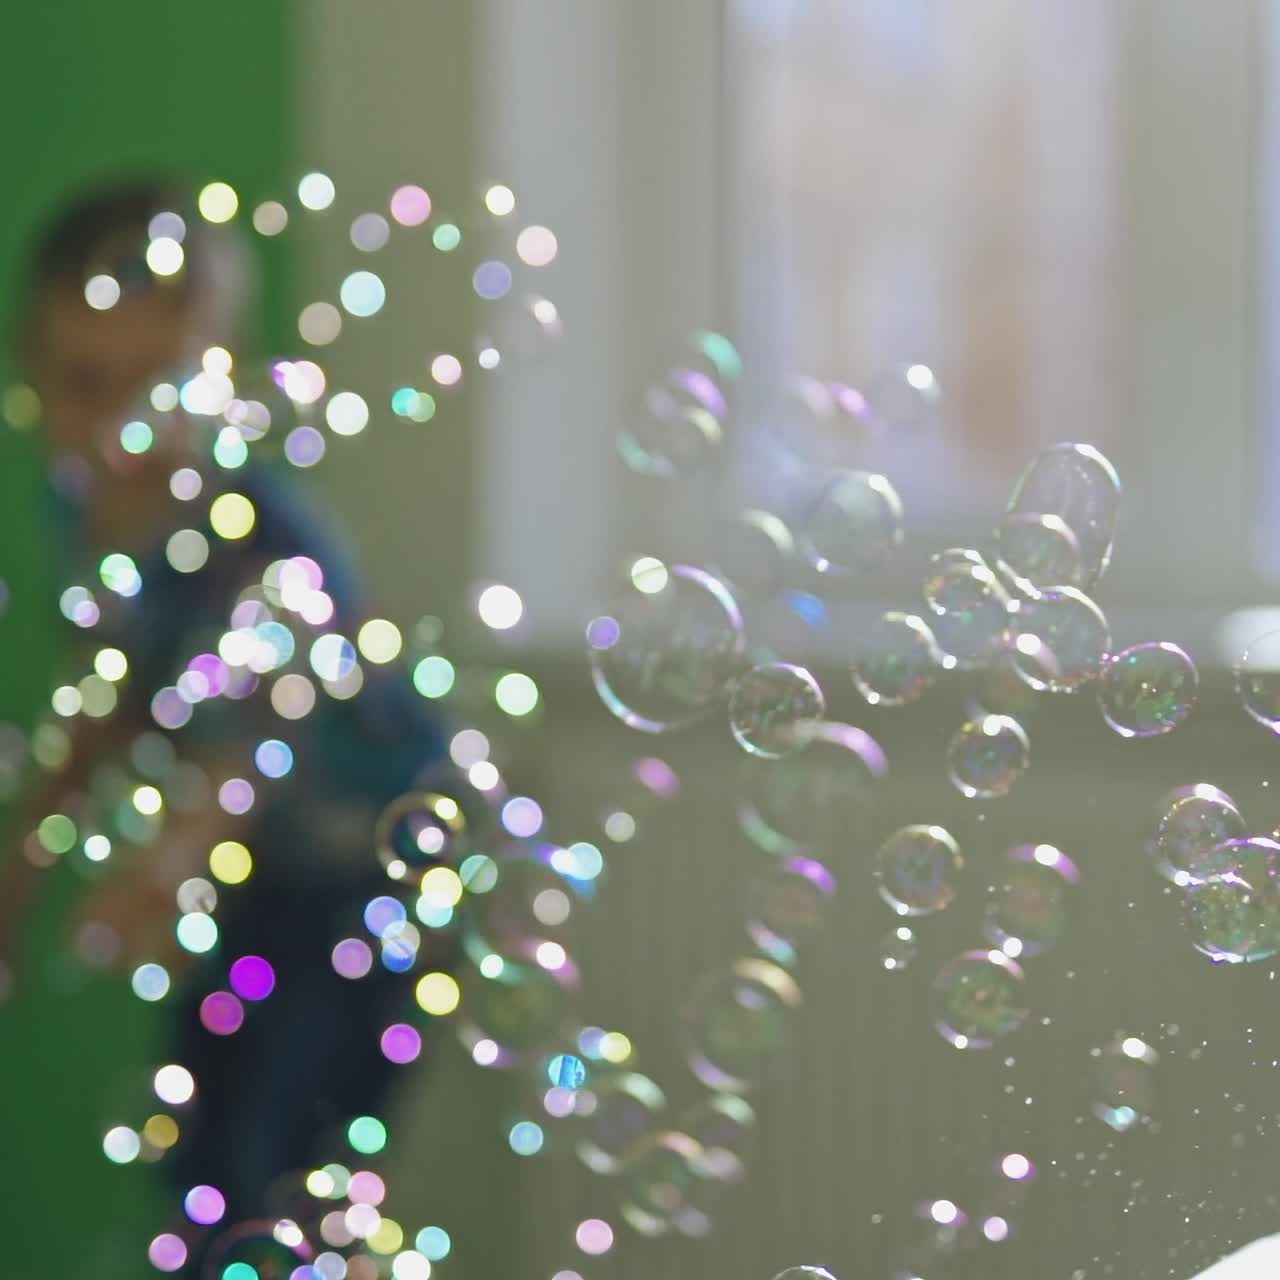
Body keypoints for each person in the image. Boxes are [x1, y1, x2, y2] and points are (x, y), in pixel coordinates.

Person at [0, 179, 456, 1260]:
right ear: (31, 378)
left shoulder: (267, 543)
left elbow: (260, 740)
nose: (123, 431)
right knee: (200, 1148)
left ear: (223, 379)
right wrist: (21, 861)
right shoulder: (80, 505)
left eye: (158, 386)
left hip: (374, 878)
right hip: (255, 890)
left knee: (280, 1155)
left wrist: (167, 864)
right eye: (85, 385)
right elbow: (112, 692)